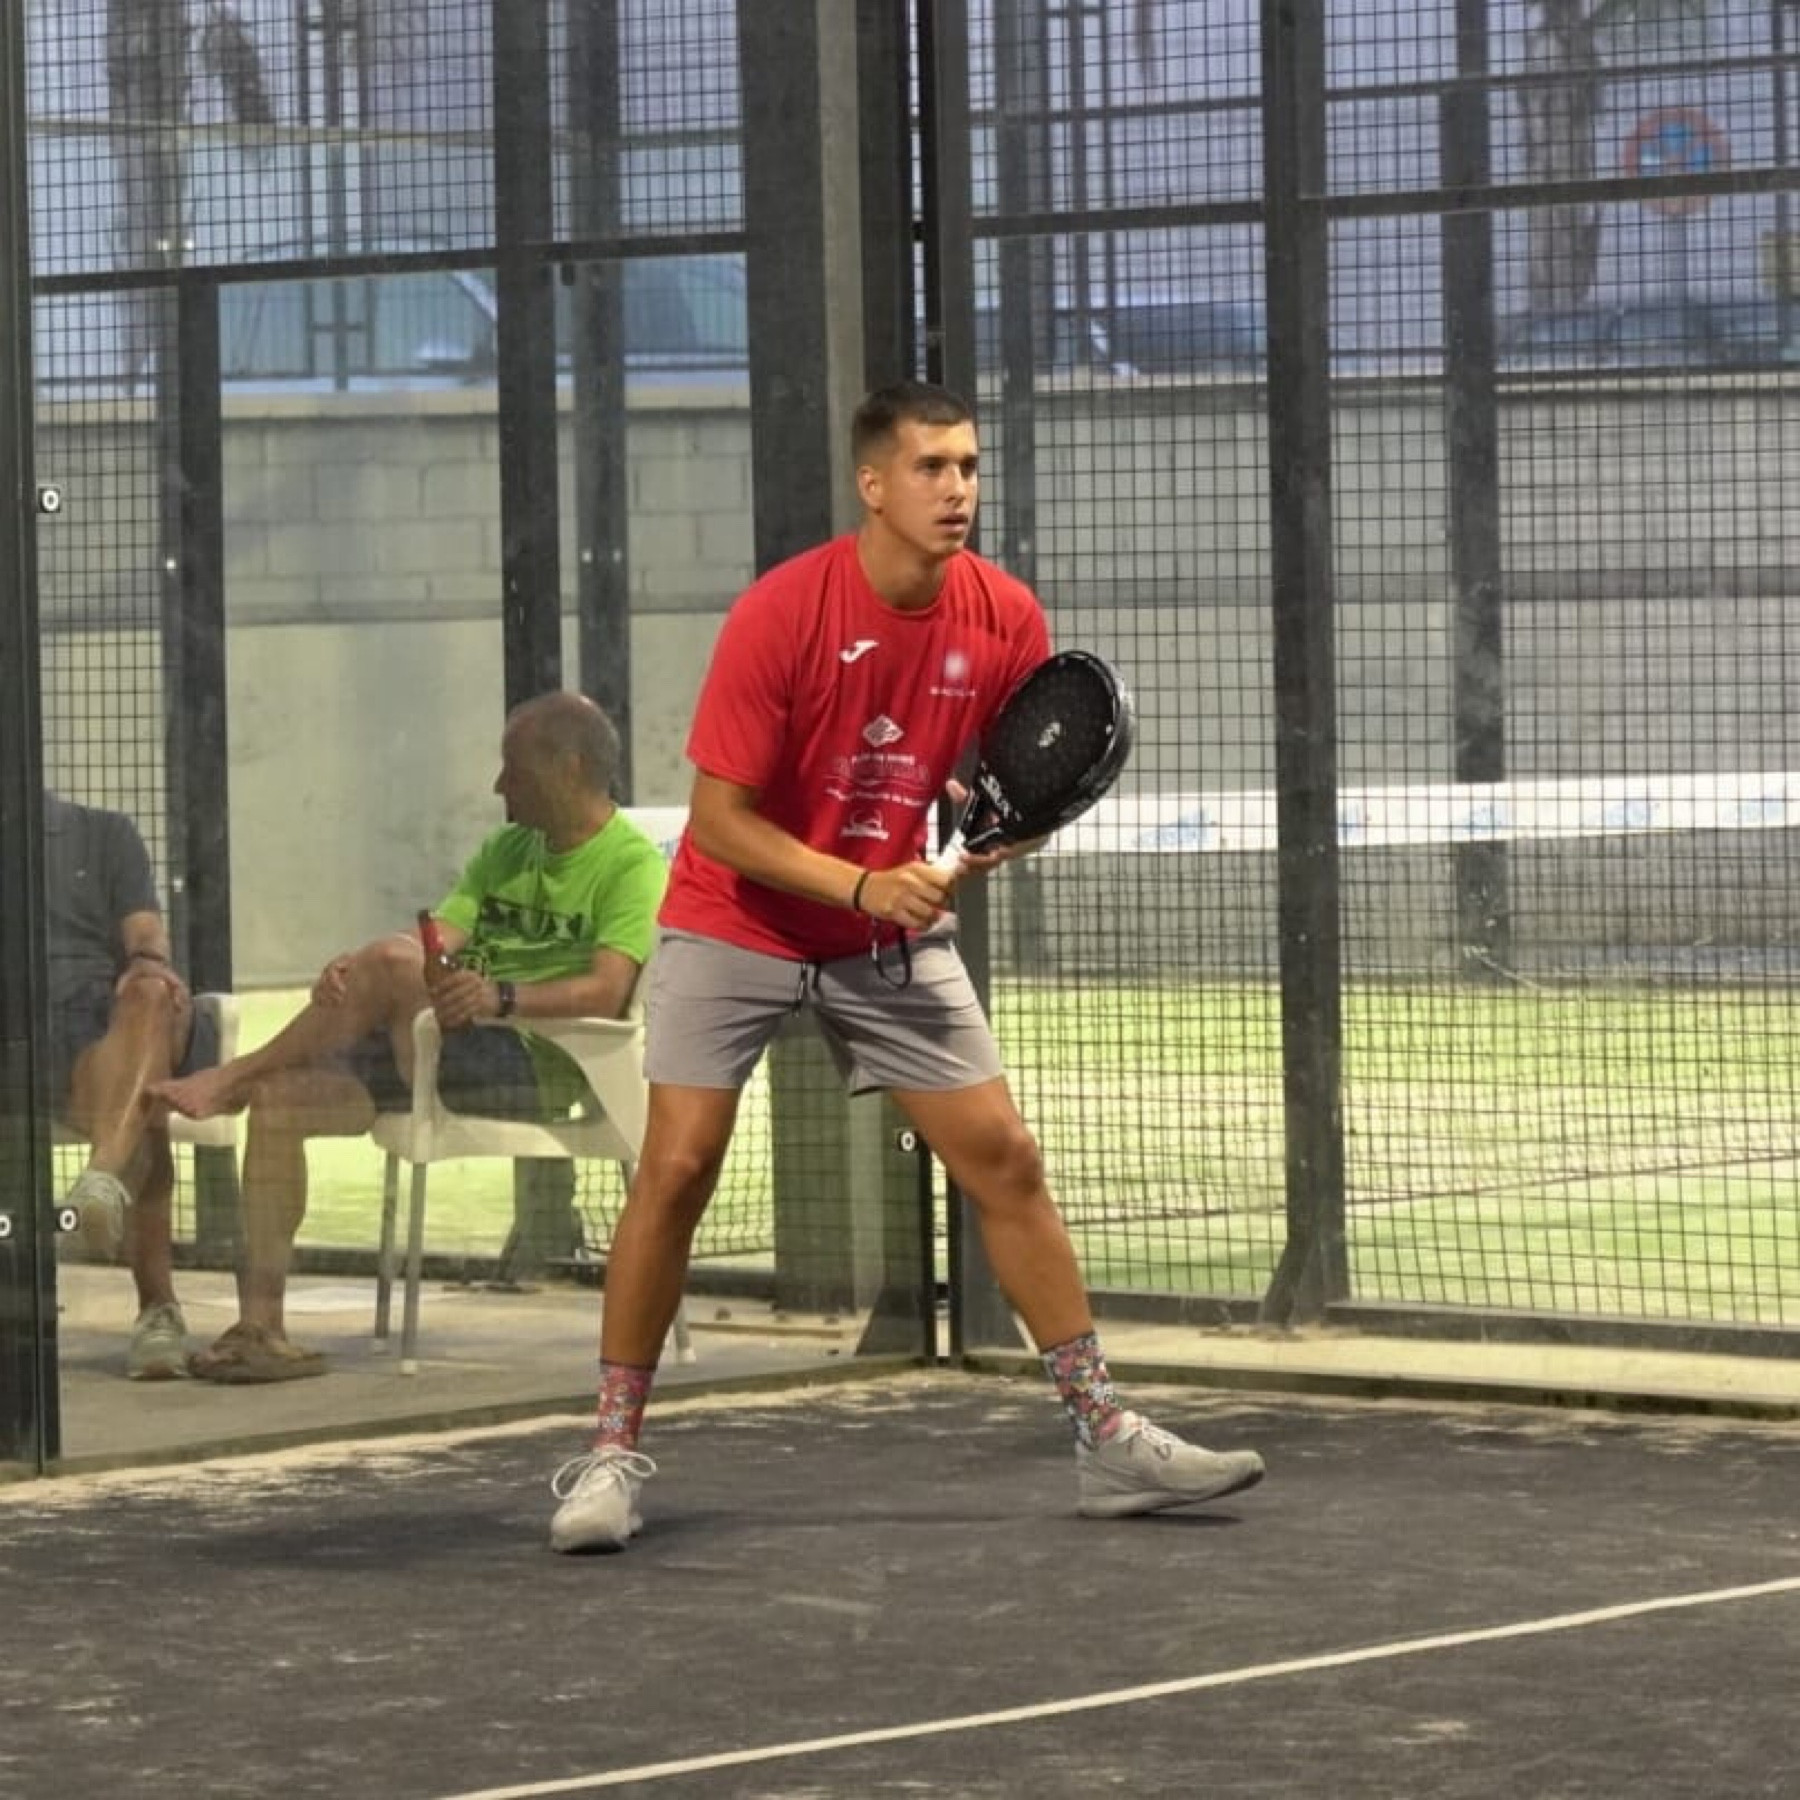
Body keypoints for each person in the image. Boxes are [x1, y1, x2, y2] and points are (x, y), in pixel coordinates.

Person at [547, 379, 1266, 1552]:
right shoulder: (783, 614)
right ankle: (610, 1456)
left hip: (884, 940)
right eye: (932, 467)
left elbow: (1018, 780)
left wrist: (986, 845)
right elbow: (719, 822)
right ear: (873, 484)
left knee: (1006, 1158)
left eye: (969, 466)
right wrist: (861, 884)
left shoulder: (1004, 616)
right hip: (737, 921)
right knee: (675, 1168)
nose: (957, 489)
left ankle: (1106, 1437)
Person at [154, 691, 666, 1383]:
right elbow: (434, 940)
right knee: (280, 1101)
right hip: (435, 1046)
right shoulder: (507, 849)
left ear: (568, 767)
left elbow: (607, 989)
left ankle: (229, 1076)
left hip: (528, 1065)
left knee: (385, 969)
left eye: (513, 769)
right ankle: (262, 1328)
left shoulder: (631, 865)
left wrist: (499, 996)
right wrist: (361, 967)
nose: (499, 786)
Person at [45, 789, 222, 1380]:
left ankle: (101, 1179)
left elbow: (144, 928)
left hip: (102, 1020)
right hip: (20, 1035)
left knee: (150, 1001)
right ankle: (158, 1309)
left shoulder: (104, 833)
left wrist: (149, 961)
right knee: (146, 1099)